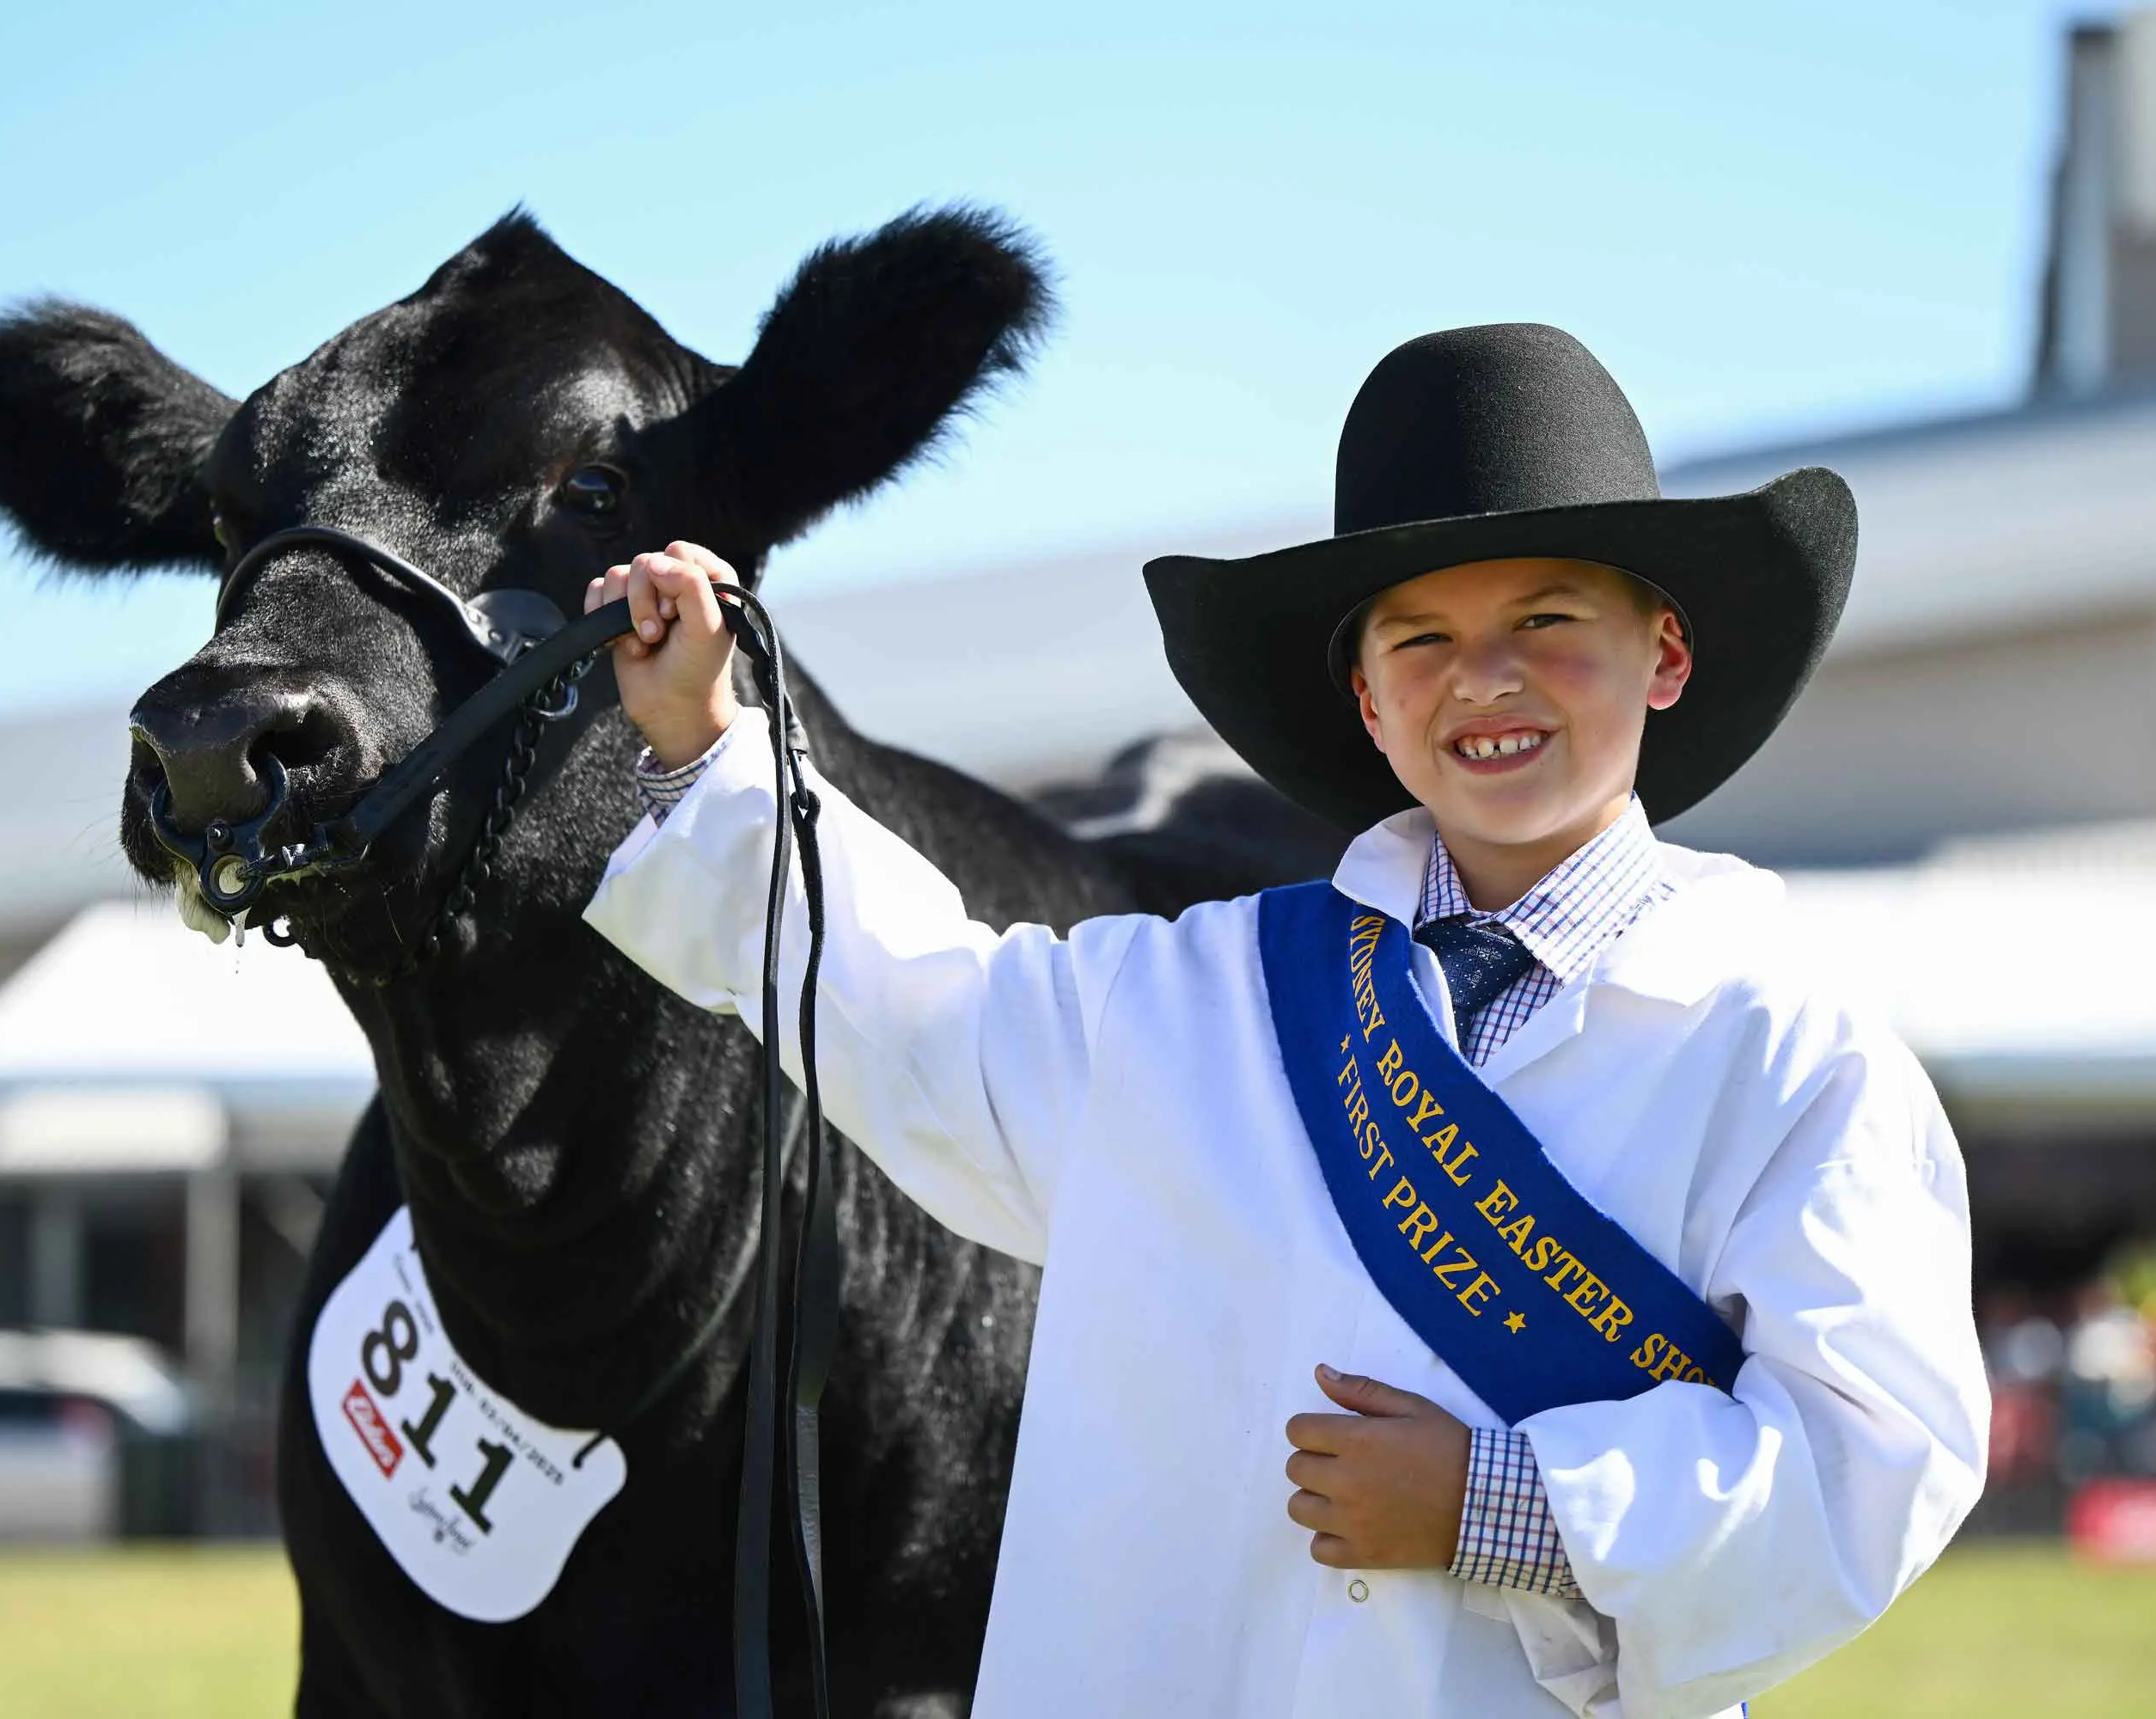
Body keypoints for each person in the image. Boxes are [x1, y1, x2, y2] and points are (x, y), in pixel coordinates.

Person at [581, 325, 1990, 1718]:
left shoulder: (1791, 1044)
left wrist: (1498, 1507)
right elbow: (918, 1011)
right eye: (1422, 639)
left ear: (1664, 654)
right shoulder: (1201, 996)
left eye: (1547, 623)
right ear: (1370, 701)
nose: (1484, 678)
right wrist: (714, 751)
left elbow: (1872, 1460)